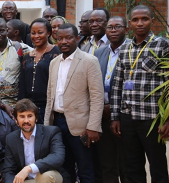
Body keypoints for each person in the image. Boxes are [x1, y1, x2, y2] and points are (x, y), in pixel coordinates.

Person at [110, 5, 169, 183]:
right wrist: (115, 117)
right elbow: (117, 84)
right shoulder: (125, 47)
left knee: (157, 166)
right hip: (128, 117)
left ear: (153, 21)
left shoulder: (162, 45)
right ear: (130, 24)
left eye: (144, 19)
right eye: (135, 20)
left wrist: (167, 119)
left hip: (152, 119)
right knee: (132, 166)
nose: (140, 23)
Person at [44, 23, 104, 183]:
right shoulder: (54, 63)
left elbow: (97, 96)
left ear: (77, 38)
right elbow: (50, 95)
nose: (64, 41)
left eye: (68, 38)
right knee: (65, 170)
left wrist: (93, 126)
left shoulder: (89, 61)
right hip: (57, 123)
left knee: (85, 171)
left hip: (81, 127)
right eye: (60, 38)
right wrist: (47, 126)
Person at [92, 16, 129, 183]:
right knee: (107, 164)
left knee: (128, 164)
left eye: (117, 27)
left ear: (126, 30)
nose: (113, 30)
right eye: (110, 28)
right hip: (102, 116)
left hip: (124, 115)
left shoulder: (132, 50)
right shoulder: (100, 52)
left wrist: (113, 109)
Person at [2, 99, 69, 183]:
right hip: (28, 180)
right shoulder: (11, 139)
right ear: (16, 120)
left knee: (46, 176)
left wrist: (29, 168)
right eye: (22, 116)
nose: (26, 121)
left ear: (36, 118)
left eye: (30, 116)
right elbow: (8, 170)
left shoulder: (51, 132)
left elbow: (58, 157)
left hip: (49, 177)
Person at [18, 18, 61, 124]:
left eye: (40, 32)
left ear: (49, 33)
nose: (36, 36)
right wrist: (20, 106)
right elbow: (22, 85)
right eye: (33, 33)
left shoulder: (57, 54)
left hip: (50, 107)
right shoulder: (27, 57)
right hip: (30, 107)